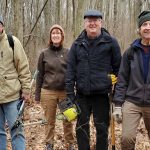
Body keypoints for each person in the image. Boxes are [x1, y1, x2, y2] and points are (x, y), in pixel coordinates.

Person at [66, 10, 121, 150]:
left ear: (101, 23)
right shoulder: (77, 44)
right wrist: (70, 96)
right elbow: (70, 72)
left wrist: (117, 90)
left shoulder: (111, 42)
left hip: (102, 95)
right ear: (84, 23)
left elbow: (119, 69)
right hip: (82, 95)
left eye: (95, 20)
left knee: (102, 130)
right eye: (89, 20)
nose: (92, 23)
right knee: (82, 129)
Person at [113, 10, 150, 150]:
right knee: (126, 139)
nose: (148, 27)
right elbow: (122, 79)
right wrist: (118, 105)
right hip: (132, 101)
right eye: (145, 24)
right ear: (139, 29)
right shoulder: (130, 52)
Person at [35, 24, 74, 150]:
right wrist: (37, 95)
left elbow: (73, 72)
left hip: (65, 92)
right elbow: (40, 75)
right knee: (49, 121)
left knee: (68, 119)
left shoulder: (68, 53)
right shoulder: (44, 54)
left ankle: (70, 143)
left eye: (58, 33)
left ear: (62, 36)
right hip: (48, 92)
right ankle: (49, 144)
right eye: (53, 33)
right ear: (50, 37)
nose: (56, 35)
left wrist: (74, 90)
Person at [0, 16, 31, 150]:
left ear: (2, 26)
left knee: (17, 131)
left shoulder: (12, 42)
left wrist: (26, 90)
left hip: (13, 97)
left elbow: (23, 67)